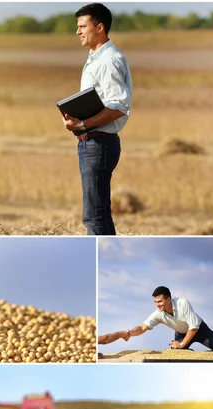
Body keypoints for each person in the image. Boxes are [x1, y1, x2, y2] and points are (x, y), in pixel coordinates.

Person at [62, 3, 132, 236]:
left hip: (100, 143)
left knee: (94, 215)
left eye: (82, 26)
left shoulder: (109, 60)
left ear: (99, 27)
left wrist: (82, 124)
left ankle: (101, 257)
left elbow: (119, 107)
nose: (78, 32)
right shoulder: (95, 58)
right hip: (91, 143)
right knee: (96, 213)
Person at [125, 286, 213, 352]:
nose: (157, 305)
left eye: (160, 301)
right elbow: (142, 327)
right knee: (175, 355)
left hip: (200, 330)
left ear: (169, 299)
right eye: (155, 302)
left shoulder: (182, 303)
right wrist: (129, 333)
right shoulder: (158, 314)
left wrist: (181, 344)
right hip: (181, 334)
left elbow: (194, 327)